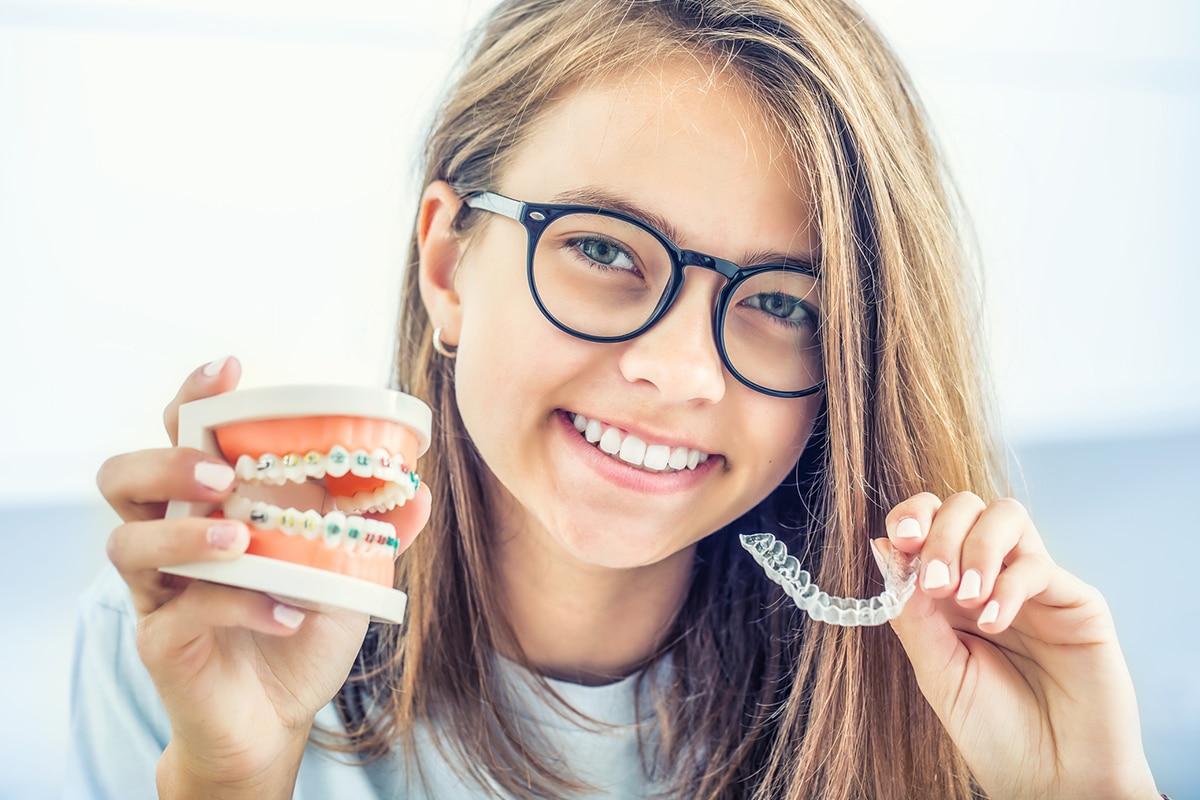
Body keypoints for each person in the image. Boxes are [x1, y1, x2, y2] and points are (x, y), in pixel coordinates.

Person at [67, 0, 1163, 798]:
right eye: (601, 246)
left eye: (783, 304)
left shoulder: (932, 701)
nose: (682, 370)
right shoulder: (180, 647)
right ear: (449, 265)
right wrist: (234, 773)